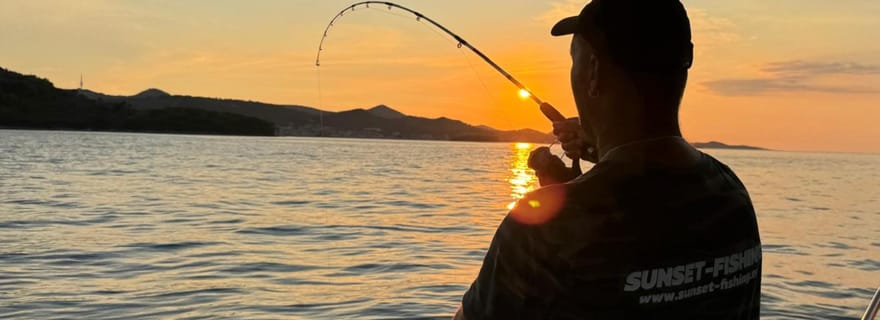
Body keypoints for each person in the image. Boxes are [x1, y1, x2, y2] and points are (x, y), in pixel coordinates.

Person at [454, 0, 762, 319]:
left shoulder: (543, 233)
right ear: (686, 61)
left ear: (593, 72)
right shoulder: (732, 198)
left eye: (575, 61)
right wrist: (592, 166)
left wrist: (566, 196)